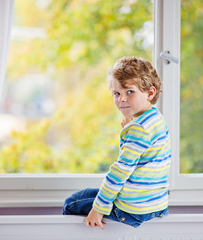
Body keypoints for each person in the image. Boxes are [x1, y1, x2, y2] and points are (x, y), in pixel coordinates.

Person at [62, 56, 172, 229]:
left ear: (150, 93)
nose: (121, 99)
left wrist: (99, 208)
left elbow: (121, 170)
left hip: (132, 209)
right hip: (155, 204)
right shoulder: (156, 119)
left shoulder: (138, 129)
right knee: (87, 195)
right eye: (116, 93)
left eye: (129, 92)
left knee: (72, 203)